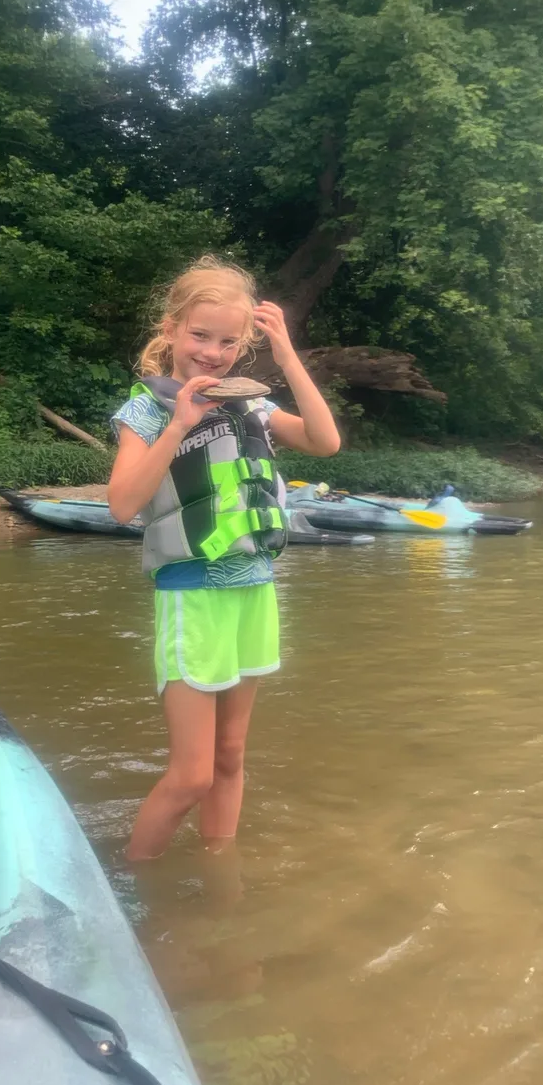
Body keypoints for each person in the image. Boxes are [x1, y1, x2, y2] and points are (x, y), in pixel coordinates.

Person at [108, 255, 341, 861]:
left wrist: (287, 356)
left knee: (231, 756)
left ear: (244, 346)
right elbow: (123, 506)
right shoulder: (145, 412)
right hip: (193, 593)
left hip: (254, 590)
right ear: (171, 330)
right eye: (200, 335)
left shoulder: (252, 406)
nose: (212, 352)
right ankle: (132, 878)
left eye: (228, 342)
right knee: (192, 775)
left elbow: (325, 441)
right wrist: (179, 426)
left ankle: (220, 876)